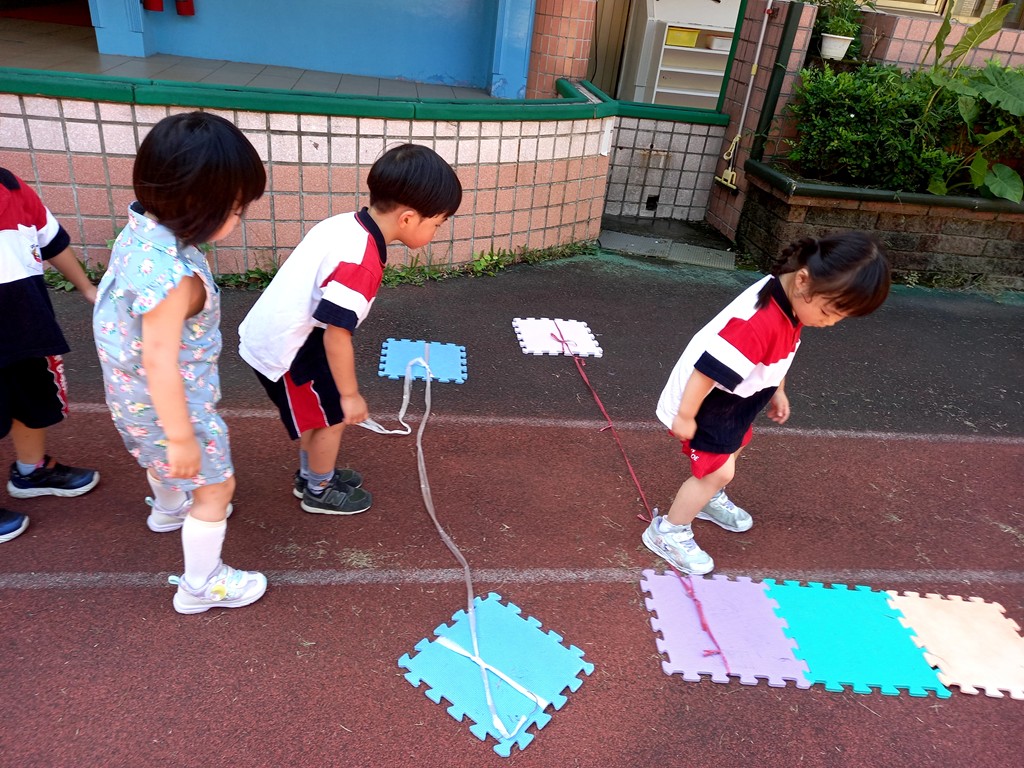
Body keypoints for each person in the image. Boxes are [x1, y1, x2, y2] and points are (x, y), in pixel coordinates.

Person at [93, 112, 267, 613]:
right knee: (217, 488)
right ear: (196, 205)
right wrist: (183, 436)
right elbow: (160, 360)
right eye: (236, 209)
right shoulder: (176, 281)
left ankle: (169, 508)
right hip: (173, 407)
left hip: (129, 397)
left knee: (162, 462)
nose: (240, 218)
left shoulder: (139, 232)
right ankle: (201, 585)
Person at [644, 231, 891, 574]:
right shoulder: (758, 322)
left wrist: (777, 389)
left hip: (739, 397)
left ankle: (707, 499)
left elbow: (781, 354)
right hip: (708, 401)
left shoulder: (792, 300)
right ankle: (668, 532)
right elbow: (706, 371)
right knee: (717, 471)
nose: (831, 323)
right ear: (803, 280)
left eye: (841, 317)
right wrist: (686, 415)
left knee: (736, 445)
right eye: (829, 312)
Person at [239, 143, 462, 515]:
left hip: (289, 333)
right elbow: (337, 334)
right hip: (288, 348)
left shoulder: (346, 224)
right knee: (333, 418)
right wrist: (351, 394)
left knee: (320, 415)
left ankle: (312, 475)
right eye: (436, 224)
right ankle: (319, 489)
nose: (436, 232)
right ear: (408, 218)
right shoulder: (362, 262)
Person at [1, 167, 100, 544]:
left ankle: (31, 470)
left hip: (26, 322)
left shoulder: (11, 187)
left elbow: (52, 241)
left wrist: (86, 288)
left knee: (31, 401)